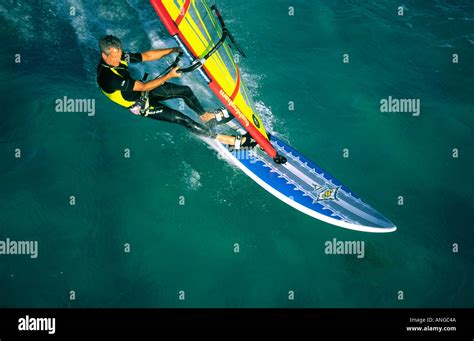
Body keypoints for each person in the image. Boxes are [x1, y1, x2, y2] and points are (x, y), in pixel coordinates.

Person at [96, 35, 255, 149]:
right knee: (183, 119)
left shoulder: (119, 56)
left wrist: (173, 49)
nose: (119, 60)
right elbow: (143, 87)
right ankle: (231, 141)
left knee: (185, 91)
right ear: (104, 55)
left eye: (119, 55)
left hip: (144, 92)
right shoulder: (107, 77)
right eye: (114, 58)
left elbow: (146, 55)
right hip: (141, 105)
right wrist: (169, 75)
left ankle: (206, 117)